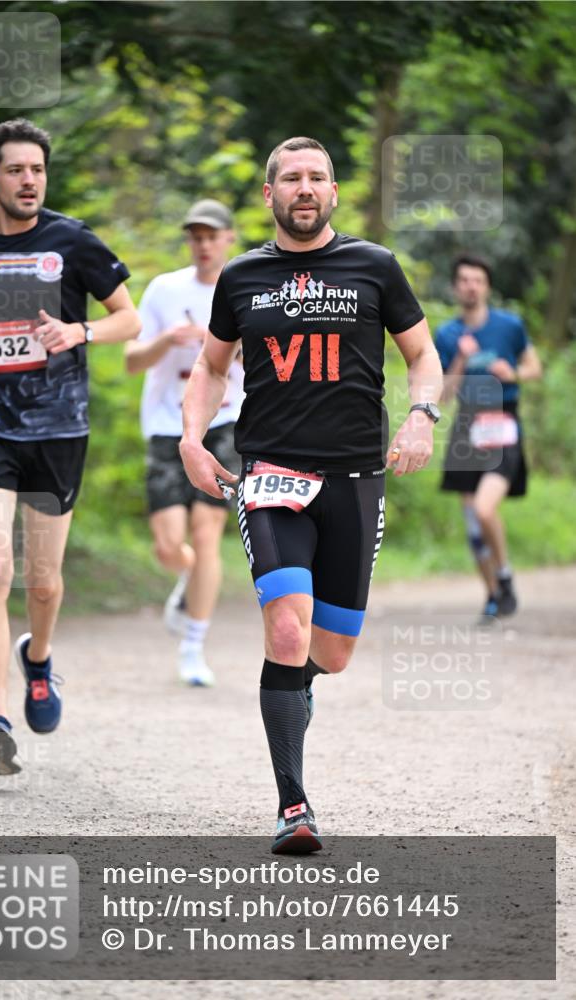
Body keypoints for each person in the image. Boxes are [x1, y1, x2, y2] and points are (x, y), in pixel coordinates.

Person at [179, 137, 443, 853]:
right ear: (268, 195)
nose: (304, 188)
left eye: (316, 178)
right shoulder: (241, 278)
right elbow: (208, 369)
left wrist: (421, 416)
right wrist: (192, 439)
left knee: (329, 652)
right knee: (286, 632)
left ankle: (295, 693)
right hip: (271, 473)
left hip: (356, 477)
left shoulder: (373, 267)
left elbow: (421, 355)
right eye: (290, 178)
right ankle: (293, 806)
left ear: (333, 192)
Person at [0, 118, 140, 775]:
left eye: (37, 169)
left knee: (43, 582)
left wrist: (80, 333)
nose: (29, 180)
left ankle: (37, 659)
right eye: (15, 170)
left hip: (58, 430)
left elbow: (131, 316)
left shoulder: (72, 241)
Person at [125, 200, 244, 686]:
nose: (203, 243)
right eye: (195, 235)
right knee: (169, 544)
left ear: (229, 239)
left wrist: (219, 349)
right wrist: (168, 341)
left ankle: (194, 644)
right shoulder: (164, 290)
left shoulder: (245, 289)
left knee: (206, 531)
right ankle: (186, 580)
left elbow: (269, 362)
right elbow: (133, 360)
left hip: (227, 419)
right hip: (166, 422)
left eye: (212, 235)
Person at [436, 253, 542, 621]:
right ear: (455, 287)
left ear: (487, 286)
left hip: (503, 422)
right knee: (471, 522)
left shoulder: (509, 326)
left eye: (477, 280)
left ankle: (506, 575)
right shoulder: (447, 333)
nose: (470, 286)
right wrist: (462, 361)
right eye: (464, 280)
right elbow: (443, 394)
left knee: (484, 508)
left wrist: (510, 371)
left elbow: (534, 367)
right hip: (467, 423)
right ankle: (494, 596)